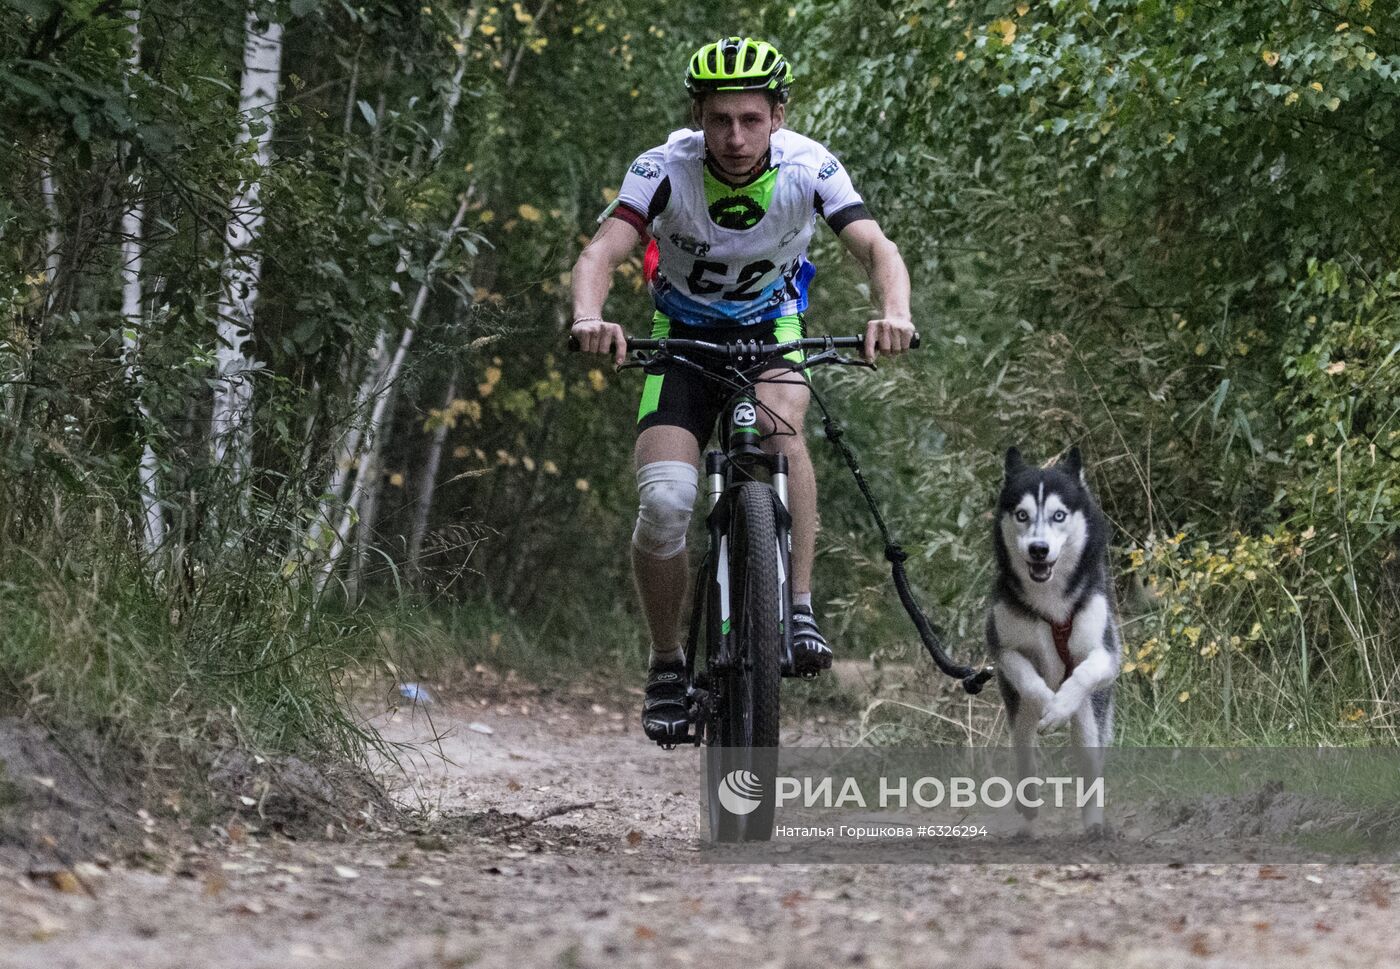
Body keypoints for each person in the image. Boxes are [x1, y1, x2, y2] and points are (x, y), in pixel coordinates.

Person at [569, 36, 915, 744]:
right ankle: (668, 663)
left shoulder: (809, 167)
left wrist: (894, 314)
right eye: (719, 119)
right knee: (666, 499)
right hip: (682, 337)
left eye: (750, 119)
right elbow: (602, 251)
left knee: (782, 433)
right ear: (698, 114)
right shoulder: (663, 169)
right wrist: (589, 318)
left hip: (770, 329)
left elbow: (878, 248)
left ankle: (799, 606)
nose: (734, 136)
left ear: (778, 116)